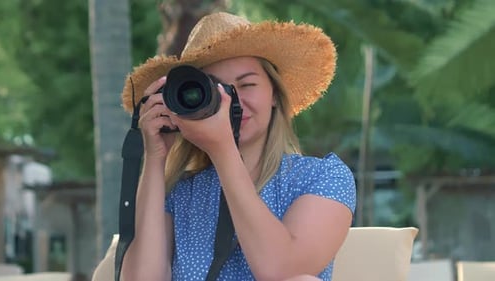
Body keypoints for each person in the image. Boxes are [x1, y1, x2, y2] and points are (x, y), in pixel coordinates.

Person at [120, 12, 356, 281]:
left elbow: (282, 271)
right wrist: (155, 156)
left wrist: (223, 151)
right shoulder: (180, 192)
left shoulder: (322, 177)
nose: (231, 102)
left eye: (246, 85)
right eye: (215, 89)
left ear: (275, 96)